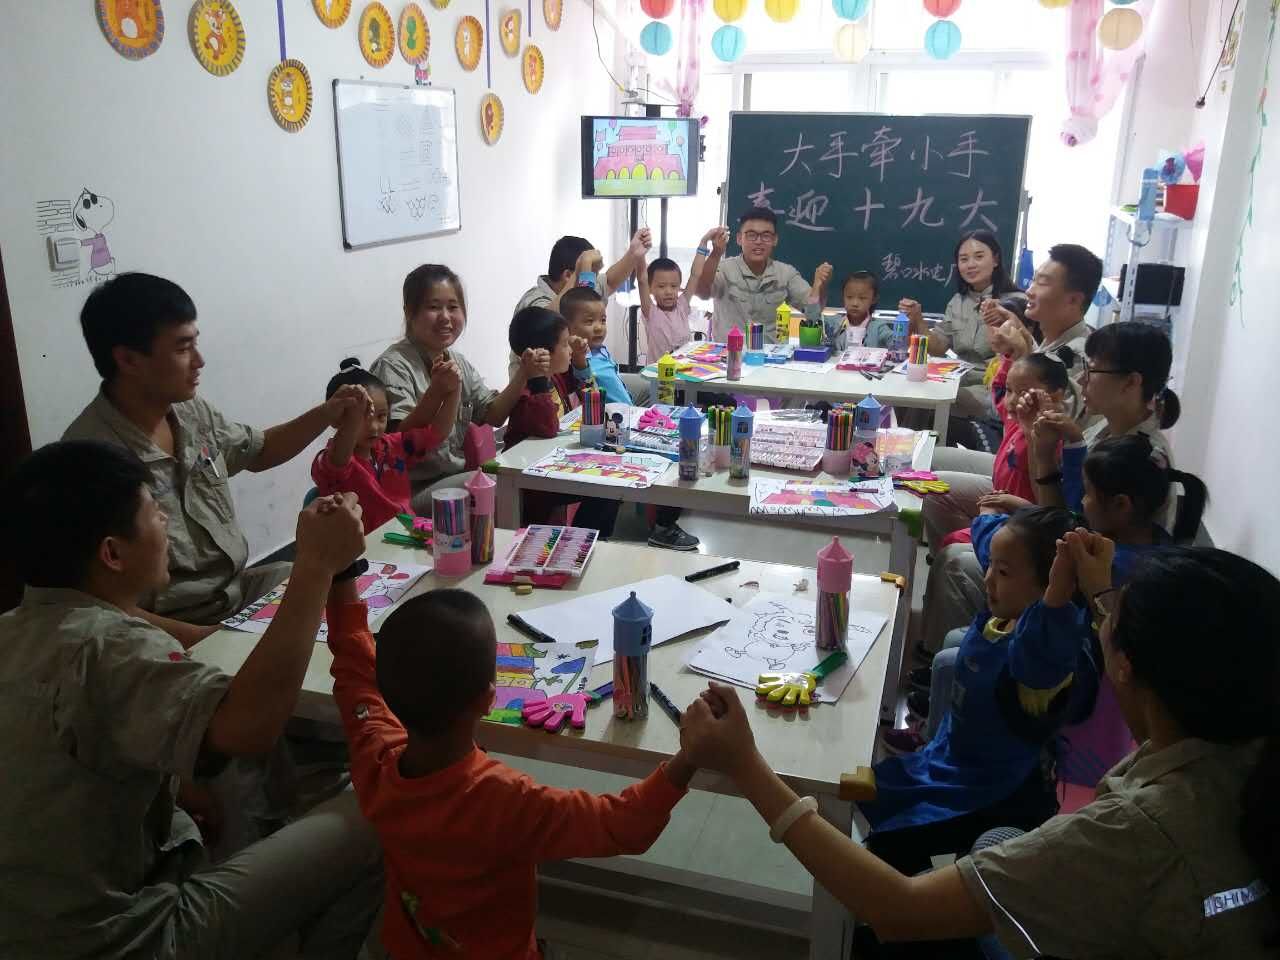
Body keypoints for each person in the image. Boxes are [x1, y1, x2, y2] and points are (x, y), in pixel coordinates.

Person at [679, 538, 1280, 959]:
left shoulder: (1137, 833)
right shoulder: (1244, 744)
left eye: (1112, 618)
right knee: (996, 842)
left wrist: (747, 766)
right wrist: (1102, 594)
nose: (1102, 621)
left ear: (1126, 664)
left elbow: (900, 909)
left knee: (894, 920)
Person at [0, 440, 384, 960]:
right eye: (153, 512)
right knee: (380, 807)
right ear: (112, 553)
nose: (165, 520)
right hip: (124, 940)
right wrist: (315, 565)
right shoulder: (110, 647)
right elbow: (251, 727)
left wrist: (178, 790)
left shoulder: (17, 629)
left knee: (221, 801)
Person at [324, 585, 696, 958]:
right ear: (489, 699)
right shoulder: (506, 801)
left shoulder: (375, 758)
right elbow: (621, 825)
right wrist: (690, 757)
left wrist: (340, 581)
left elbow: (356, 673)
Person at [63, 272, 367, 644]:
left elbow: (258, 450)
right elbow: (103, 605)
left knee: (345, 597)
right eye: (182, 348)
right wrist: (210, 640)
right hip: (165, 628)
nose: (199, 361)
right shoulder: (89, 461)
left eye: (196, 343)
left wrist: (327, 413)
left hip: (235, 593)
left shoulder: (189, 412)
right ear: (128, 359)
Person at [899, 433, 1209, 757]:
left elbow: (1007, 555)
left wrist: (988, 519)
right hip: (1069, 652)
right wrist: (1027, 509)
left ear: (1121, 505)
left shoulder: (1101, 558)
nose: (1080, 501)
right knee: (954, 641)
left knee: (950, 660)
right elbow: (1063, 524)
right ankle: (943, 732)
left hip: (1064, 670)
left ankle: (943, 751)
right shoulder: (1149, 543)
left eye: (1087, 494)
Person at [858, 508, 1086, 876]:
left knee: (890, 838)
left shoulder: (1041, 654)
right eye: (991, 565)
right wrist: (993, 516)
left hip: (997, 794)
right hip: (953, 760)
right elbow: (990, 535)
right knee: (873, 788)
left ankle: (926, 905)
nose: (988, 577)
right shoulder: (1003, 615)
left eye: (1004, 572)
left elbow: (1047, 638)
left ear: (1050, 587)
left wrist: (1058, 596)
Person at [371, 264, 545, 508]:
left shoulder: (457, 361)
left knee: (527, 476)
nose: (445, 317)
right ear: (409, 312)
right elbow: (400, 442)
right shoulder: (393, 366)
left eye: (453, 307)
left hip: (452, 480)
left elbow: (493, 414)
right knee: (502, 486)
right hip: (407, 493)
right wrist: (437, 393)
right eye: (433, 307)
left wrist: (523, 373)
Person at [561, 288, 700, 550]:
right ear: (568, 328)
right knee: (673, 459)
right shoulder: (580, 357)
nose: (599, 327)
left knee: (681, 448)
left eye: (602, 319)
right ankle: (662, 527)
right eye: (589, 321)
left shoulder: (600, 351)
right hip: (610, 430)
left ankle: (656, 524)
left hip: (627, 420)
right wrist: (579, 357)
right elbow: (585, 384)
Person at [1030, 321, 1179, 520]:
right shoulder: (1108, 426)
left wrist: (1046, 457)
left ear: (1131, 382)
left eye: (1091, 370)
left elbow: (1065, 526)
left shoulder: (1136, 458)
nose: (1081, 379)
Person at [922, 352, 1071, 550]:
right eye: (1010, 390)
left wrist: (1032, 437)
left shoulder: (1050, 438)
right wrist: (1009, 355)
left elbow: (1044, 505)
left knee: (954, 546)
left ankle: (979, 549)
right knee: (930, 484)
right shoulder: (1017, 417)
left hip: (1019, 517)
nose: (1012, 401)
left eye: (1023, 393)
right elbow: (998, 389)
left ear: (1056, 396)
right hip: (999, 494)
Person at [504, 306, 622, 536]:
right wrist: (538, 379)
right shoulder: (528, 392)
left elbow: (590, 394)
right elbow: (549, 427)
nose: (570, 349)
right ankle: (584, 539)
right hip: (532, 481)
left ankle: (589, 538)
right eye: (566, 344)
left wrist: (579, 359)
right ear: (544, 353)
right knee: (607, 489)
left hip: (555, 464)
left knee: (612, 481)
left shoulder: (557, 378)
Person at [311, 357, 461, 534]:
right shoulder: (329, 461)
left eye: (381, 416)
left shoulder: (391, 446)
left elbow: (437, 432)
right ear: (335, 419)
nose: (374, 427)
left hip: (407, 534)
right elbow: (339, 460)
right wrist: (354, 416)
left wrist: (454, 388)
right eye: (361, 417)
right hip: (368, 547)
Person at [898, 230, 1027, 420]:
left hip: (993, 387)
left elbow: (1024, 354)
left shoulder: (1016, 302)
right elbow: (938, 348)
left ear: (996, 260)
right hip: (957, 378)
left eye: (979, 257)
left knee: (934, 397)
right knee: (908, 392)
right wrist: (918, 318)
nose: (970, 265)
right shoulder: (958, 301)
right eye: (964, 259)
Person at [693, 209, 833, 343]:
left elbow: (812, 313)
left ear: (775, 240)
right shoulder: (724, 269)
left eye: (766, 236)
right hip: (730, 353)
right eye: (751, 235)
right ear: (739, 238)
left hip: (771, 355)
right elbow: (702, 293)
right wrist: (716, 254)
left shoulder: (786, 273)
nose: (758, 241)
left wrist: (820, 285)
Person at [636, 229, 720, 358]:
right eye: (661, 286)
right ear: (650, 288)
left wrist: (704, 242)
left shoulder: (682, 306)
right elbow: (642, 279)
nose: (668, 291)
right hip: (659, 370)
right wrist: (640, 254)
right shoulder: (650, 312)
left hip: (684, 369)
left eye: (673, 286)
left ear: (679, 287)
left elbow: (695, 275)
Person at [823, 271, 893, 352]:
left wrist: (907, 320)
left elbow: (896, 344)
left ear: (873, 299)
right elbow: (813, 319)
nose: (855, 303)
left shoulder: (878, 327)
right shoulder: (834, 322)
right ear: (843, 297)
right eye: (849, 297)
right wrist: (818, 286)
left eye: (862, 298)